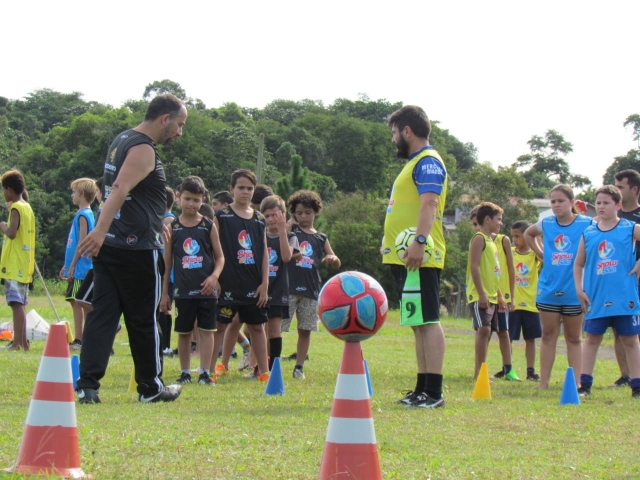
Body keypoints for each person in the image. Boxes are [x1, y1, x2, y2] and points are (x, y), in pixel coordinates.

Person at [75, 93, 187, 404]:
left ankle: (88, 386)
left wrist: (108, 232)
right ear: (165, 119)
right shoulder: (143, 148)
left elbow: (128, 192)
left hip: (111, 247)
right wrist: (98, 229)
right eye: (179, 124)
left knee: (103, 317)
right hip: (135, 250)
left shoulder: (121, 139)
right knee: (142, 320)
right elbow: (121, 189)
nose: (180, 132)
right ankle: (150, 388)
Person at [382, 106, 447, 409]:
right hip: (406, 257)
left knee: (429, 320)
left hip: (421, 256)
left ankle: (434, 392)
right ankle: (422, 388)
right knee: (417, 322)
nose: (394, 139)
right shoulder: (413, 164)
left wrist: (420, 242)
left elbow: (429, 203)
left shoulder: (428, 162)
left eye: (394, 133)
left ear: (407, 130)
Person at [573, 185, 640, 398]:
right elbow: (578, 264)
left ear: (618, 205)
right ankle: (584, 385)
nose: (601, 206)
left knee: (630, 340)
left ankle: (637, 386)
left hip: (625, 297)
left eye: (606, 203)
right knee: (592, 339)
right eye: (598, 203)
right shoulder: (589, 233)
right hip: (596, 297)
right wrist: (579, 289)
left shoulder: (630, 228)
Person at [524, 184, 592, 389]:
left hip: (574, 289)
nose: (556, 205)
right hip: (549, 289)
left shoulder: (586, 223)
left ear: (572, 202)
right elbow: (528, 234)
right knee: (548, 335)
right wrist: (541, 253)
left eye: (560, 200)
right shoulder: (547, 223)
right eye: (553, 201)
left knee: (574, 337)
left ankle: (578, 382)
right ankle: (543, 382)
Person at [160, 176, 224, 386]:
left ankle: (205, 372)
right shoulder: (173, 227)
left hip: (206, 291)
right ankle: (185, 372)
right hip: (183, 291)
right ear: (178, 198)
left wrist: (214, 277)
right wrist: (165, 293)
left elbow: (220, 257)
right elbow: (167, 263)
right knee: (184, 332)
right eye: (187, 199)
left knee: (207, 331)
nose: (191, 204)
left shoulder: (208, 226)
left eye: (196, 200)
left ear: (203, 200)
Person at [211, 169, 270, 381]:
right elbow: (213, 251)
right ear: (232, 189)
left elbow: (264, 253)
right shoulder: (222, 216)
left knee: (257, 327)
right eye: (241, 188)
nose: (245, 192)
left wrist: (265, 283)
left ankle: (264, 372)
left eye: (249, 188)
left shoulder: (260, 219)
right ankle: (211, 371)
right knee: (220, 325)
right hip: (228, 284)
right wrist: (215, 277)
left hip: (253, 285)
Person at [286, 189, 340, 379]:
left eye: (307, 213)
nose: (303, 217)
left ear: (316, 212)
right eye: (299, 213)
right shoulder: (291, 231)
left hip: (311, 290)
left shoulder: (321, 237)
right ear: (293, 213)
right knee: (276, 328)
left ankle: (299, 367)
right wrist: (288, 224)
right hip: (288, 288)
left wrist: (332, 258)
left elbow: (334, 258)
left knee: (305, 329)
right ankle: (268, 363)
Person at [470, 207, 519, 381]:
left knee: (493, 330)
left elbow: (494, 272)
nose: (501, 223)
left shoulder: (492, 242)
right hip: (479, 295)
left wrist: (499, 295)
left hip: (492, 296)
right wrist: (482, 294)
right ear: (488, 220)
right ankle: (479, 373)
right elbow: (474, 267)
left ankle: (487, 371)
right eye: (499, 219)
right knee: (483, 330)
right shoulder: (479, 239)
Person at [261, 195, 298, 371]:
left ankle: (273, 366)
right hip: (260, 288)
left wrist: (282, 231)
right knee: (258, 330)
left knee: (274, 331)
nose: (270, 220)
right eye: (267, 216)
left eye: (274, 215)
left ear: (283, 215)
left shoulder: (290, 236)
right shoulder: (260, 235)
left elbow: (286, 257)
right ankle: (259, 365)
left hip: (278, 289)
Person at [60, 178, 98, 350]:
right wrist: (66, 265)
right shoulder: (85, 214)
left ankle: (80, 339)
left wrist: (73, 266)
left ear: (82, 194)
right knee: (77, 301)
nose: (72, 195)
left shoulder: (83, 215)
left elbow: (82, 243)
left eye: (74, 192)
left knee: (77, 301)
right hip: (78, 267)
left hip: (82, 268)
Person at [611, 169, 640, 387]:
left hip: (637, 282)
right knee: (619, 330)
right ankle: (625, 375)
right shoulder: (613, 216)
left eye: (620, 187)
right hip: (616, 283)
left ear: (634, 189)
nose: (616, 190)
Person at [0, 170, 35, 351]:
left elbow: (12, 233)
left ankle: (16, 344)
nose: (3, 194)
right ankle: (24, 343)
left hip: (14, 264)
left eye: (4, 190)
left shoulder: (15, 207)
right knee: (20, 302)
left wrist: (3, 226)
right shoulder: (26, 207)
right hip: (25, 262)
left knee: (16, 303)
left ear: (10, 190)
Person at [509, 220, 542, 381]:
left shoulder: (534, 255)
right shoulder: (510, 253)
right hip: (512, 304)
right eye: (513, 236)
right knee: (509, 337)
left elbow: (544, 260)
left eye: (518, 236)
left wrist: (536, 241)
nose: (515, 240)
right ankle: (507, 367)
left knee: (530, 339)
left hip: (530, 304)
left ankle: (530, 371)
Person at [159, 186, 177, 358]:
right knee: (160, 309)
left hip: (169, 275)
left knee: (164, 309)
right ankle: (162, 344)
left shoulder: (168, 220)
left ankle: (166, 346)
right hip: (163, 272)